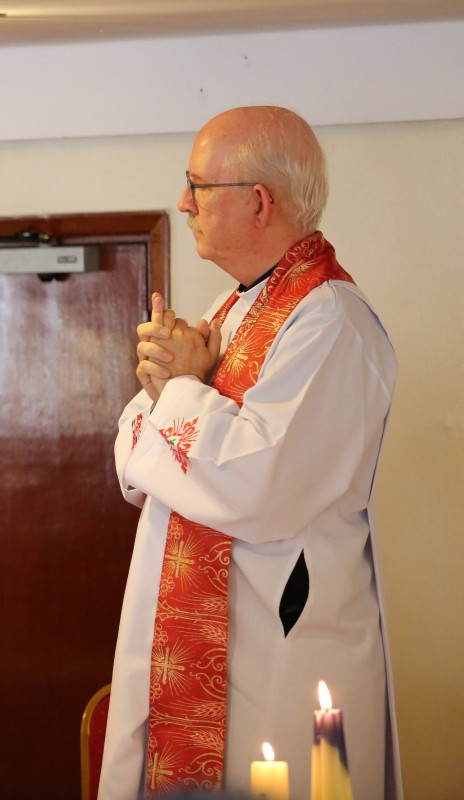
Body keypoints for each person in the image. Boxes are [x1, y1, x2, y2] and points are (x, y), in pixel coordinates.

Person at [99, 107, 402, 799]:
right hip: (203, 641)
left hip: (276, 650)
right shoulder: (233, 310)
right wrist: (164, 389)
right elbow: (134, 459)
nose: (184, 203)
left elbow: (258, 483)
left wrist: (175, 387)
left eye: (198, 185)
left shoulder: (328, 323)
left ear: (260, 200)